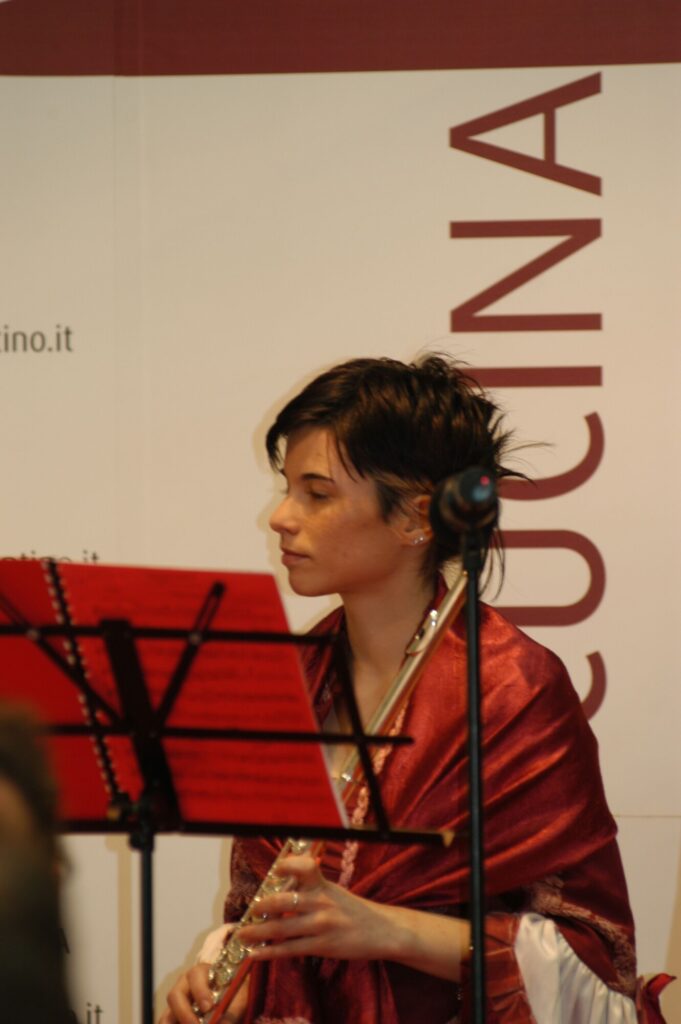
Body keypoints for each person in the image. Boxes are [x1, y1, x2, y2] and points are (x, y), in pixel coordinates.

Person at [160, 355, 671, 1024]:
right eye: (286, 488)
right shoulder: (292, 678)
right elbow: (262, 907)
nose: (281, 517)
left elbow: (592, 960)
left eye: (317, 494)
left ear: (414, 519)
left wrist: (384, 929)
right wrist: (229, 975)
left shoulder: (511, 688)